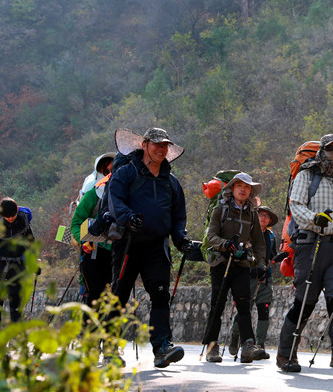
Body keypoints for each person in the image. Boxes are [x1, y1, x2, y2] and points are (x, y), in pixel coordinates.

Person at [276, 134, 333, 377]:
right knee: (305, 301)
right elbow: (295, 206)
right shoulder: (306, 175)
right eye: (331, 147)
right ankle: (286, 353)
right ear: (322, 151)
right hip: (311, 245)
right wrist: (313, 219)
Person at [107, 127, 192, 369]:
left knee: (160, 295)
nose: (161, 149)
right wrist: (127, 217)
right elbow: (115, 202)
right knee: (119, 295)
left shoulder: (171, 182)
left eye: (165, 145)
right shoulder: (126, 173)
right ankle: (111, 348)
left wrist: (180, 238)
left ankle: (162, 347)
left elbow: (178, 216)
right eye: (156, 144)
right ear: (144, 145)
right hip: (128, 244)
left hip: (157, 246)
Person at [203, 172, 268, 364]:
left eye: (247, 187)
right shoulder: (220, 210)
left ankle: (248, 345)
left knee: (243, 303)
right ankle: (212, 346)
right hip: (220, 263)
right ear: (232, 188)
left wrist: (262, 263)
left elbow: (259, 242)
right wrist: (225, 244)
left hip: (241, 264)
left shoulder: (253, 214)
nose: (243, 189)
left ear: (250, 192)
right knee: (218, 304)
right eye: (239, 185)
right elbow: (211, 237)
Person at [228, 205, 284, 359]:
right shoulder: (249, 232)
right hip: (248, 275)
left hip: (266, 276)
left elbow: (271, 255)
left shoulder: (271, 236)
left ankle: (260, 344)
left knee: (264, 309)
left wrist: (277, 259)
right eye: (261, 214)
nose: (263, 218)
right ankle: (235, 336)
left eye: (267, 216)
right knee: (244, 308)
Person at [70, 154, 114, 309]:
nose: (110, 172)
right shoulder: (91, 196)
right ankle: (91, 331)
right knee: (94, 294)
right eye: (106, 169)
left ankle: (109, 332)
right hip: (93, 252)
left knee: (113, 296)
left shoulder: (124, 195)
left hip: (116, 253)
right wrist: (84, 240)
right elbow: (76, 223)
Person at [0, 197, 34, 323]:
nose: (10, 219)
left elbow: (31, 242)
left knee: (15, 303)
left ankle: (16, 336)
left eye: (12, 216)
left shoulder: (23, 220)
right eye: (7, 217)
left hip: (18, 266)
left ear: (17, 211)